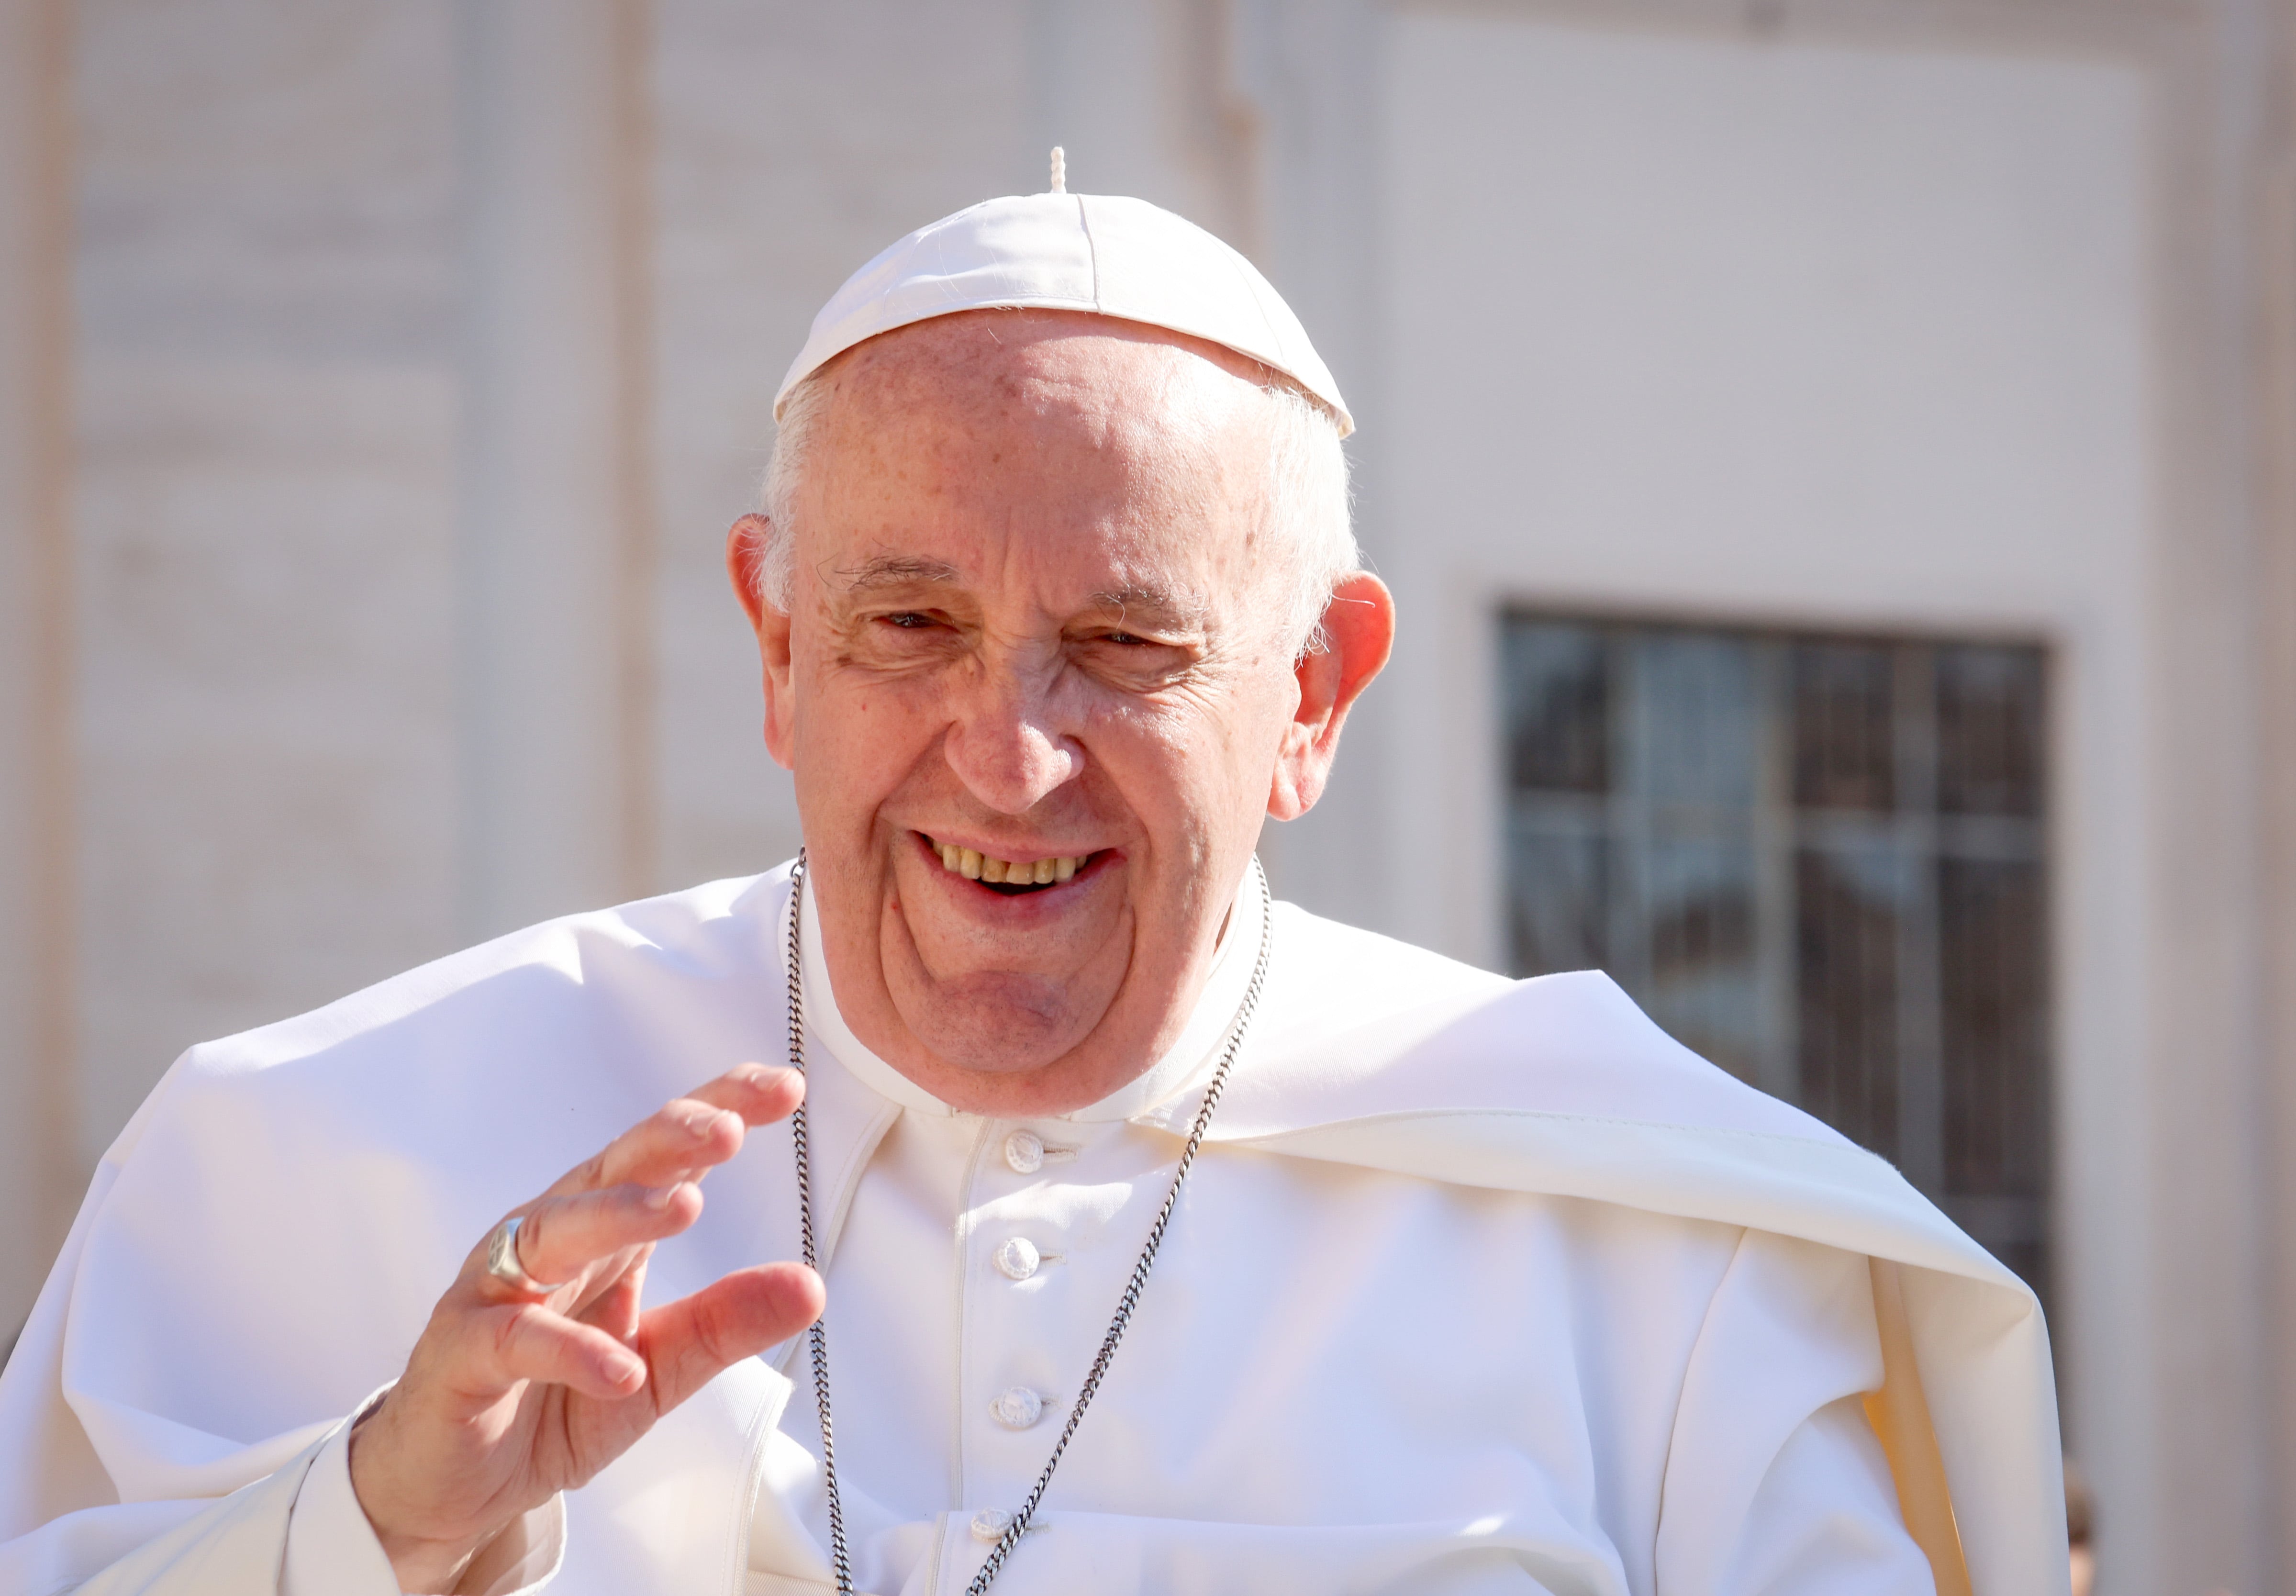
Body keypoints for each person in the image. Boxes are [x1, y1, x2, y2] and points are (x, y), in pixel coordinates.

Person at [0, 182, 2065, 1596]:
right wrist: (371, 1531)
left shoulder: (1665, 1262)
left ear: (1314, 692)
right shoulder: (319, 1151)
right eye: (907, 623)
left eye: (1129, 647)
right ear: (773, 642)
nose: (1008, 755)